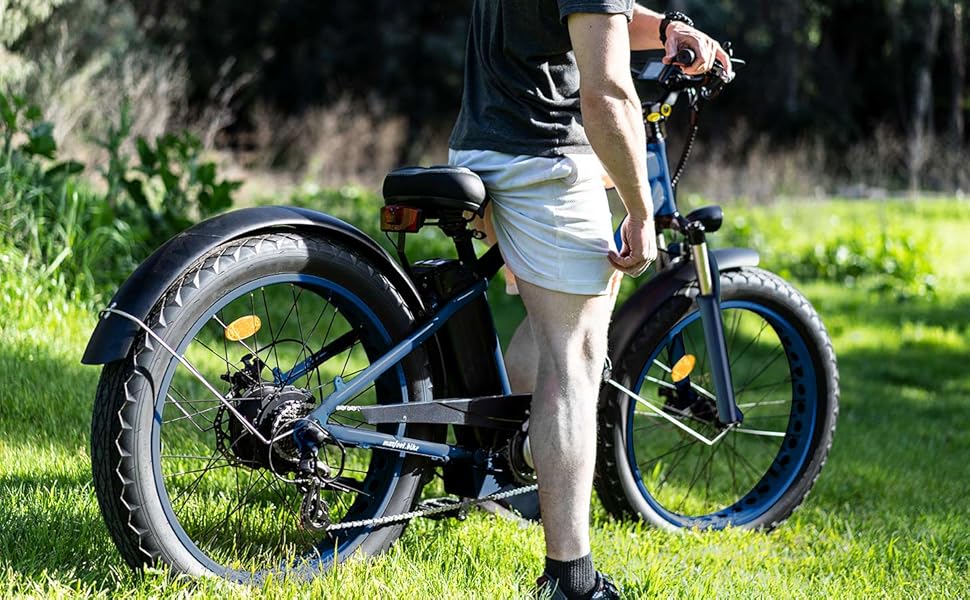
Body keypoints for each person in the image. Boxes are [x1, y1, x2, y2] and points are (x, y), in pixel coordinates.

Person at [448, 2, 732, 598]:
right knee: (574, 360)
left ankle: (504, 472)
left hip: (485, 143)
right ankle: (570, 578)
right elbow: (606, 93)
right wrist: (639, 211)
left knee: (551, 327)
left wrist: (667, 29)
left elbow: (589, 12)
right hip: (542, 159)